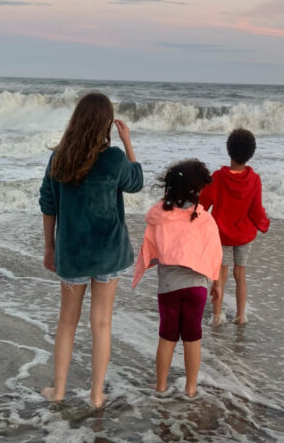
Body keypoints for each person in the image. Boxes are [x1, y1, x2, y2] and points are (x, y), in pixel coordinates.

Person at [39, 92, 143, 408]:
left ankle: (58, 391)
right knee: (101, 324)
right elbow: (136, 182)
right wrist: (128, 143)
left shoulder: (60, 157)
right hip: (108, 253)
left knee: (67, 323)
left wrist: (49, 247)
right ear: (105, 124)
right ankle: (96, 395)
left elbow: (48, 204)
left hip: (72, 252)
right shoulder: (113, 159)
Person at [133, 160, 222, 397]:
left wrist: (150, 262)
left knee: (167, 336)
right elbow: (215, 253)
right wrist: (217, 283)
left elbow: (149, 250)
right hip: (197, 288)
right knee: (192, 337)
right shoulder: (204, 219)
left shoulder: (160, 217)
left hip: (169, 287)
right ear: (197, 190)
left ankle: (160, 386)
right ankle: (191, 388)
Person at [199, 128, 270, 325]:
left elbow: (203, 204)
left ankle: (216, 316)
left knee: (220, 273)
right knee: (240, 273)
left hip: (221, 234)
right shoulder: (254, 179)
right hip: (244, 234)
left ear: (229, 150)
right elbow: (256, 211)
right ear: (251, 154)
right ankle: (240, 315)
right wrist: (264, 224)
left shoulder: (218, 178)